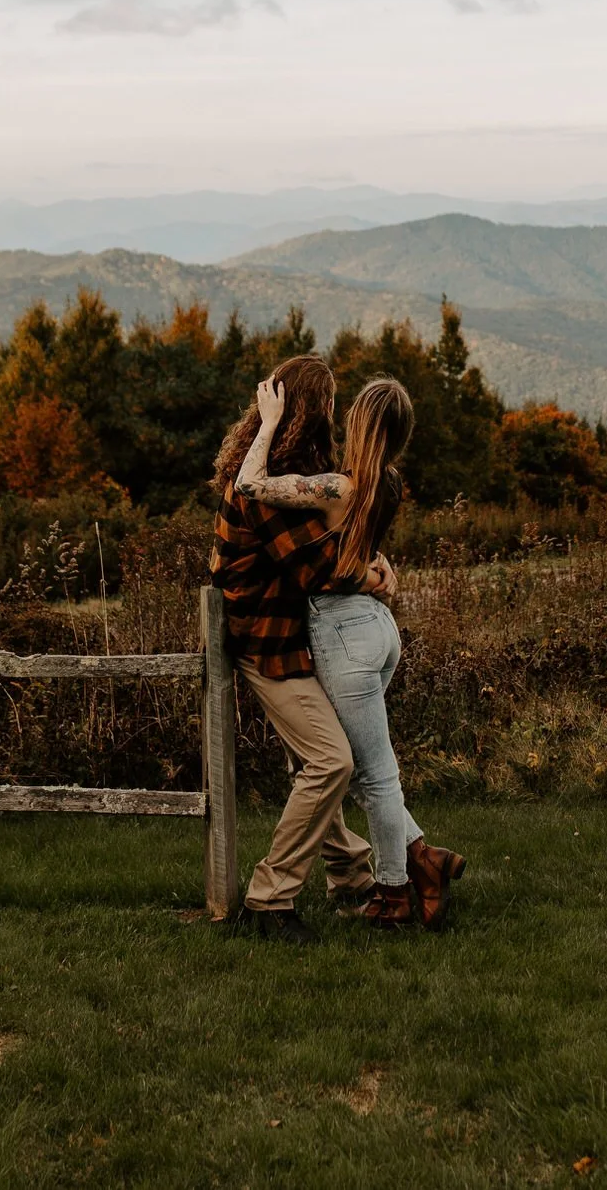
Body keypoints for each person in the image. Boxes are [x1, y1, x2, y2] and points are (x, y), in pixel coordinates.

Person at [234, 373, 466, 931]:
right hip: (379, 630)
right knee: (360, 769)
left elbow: (248, 484)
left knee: (376, 776)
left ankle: (392, 894)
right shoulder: (388, 484)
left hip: (342, 632)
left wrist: (266, 425)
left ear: (357, 422)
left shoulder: (337, 487)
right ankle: (421, 857)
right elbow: (366, 549)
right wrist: (380, 571)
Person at [209, 355, 389, 944]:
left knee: (317, 761)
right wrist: (373, 577)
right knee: (330, 761)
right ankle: (271, 897)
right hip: (268, 644)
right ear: (316, 411)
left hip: (289, 639)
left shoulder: (285, 470)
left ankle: (353, 878)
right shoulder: (261, 484)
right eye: (331, 403)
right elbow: (317, 568)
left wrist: (372, 563)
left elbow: (340, 542)